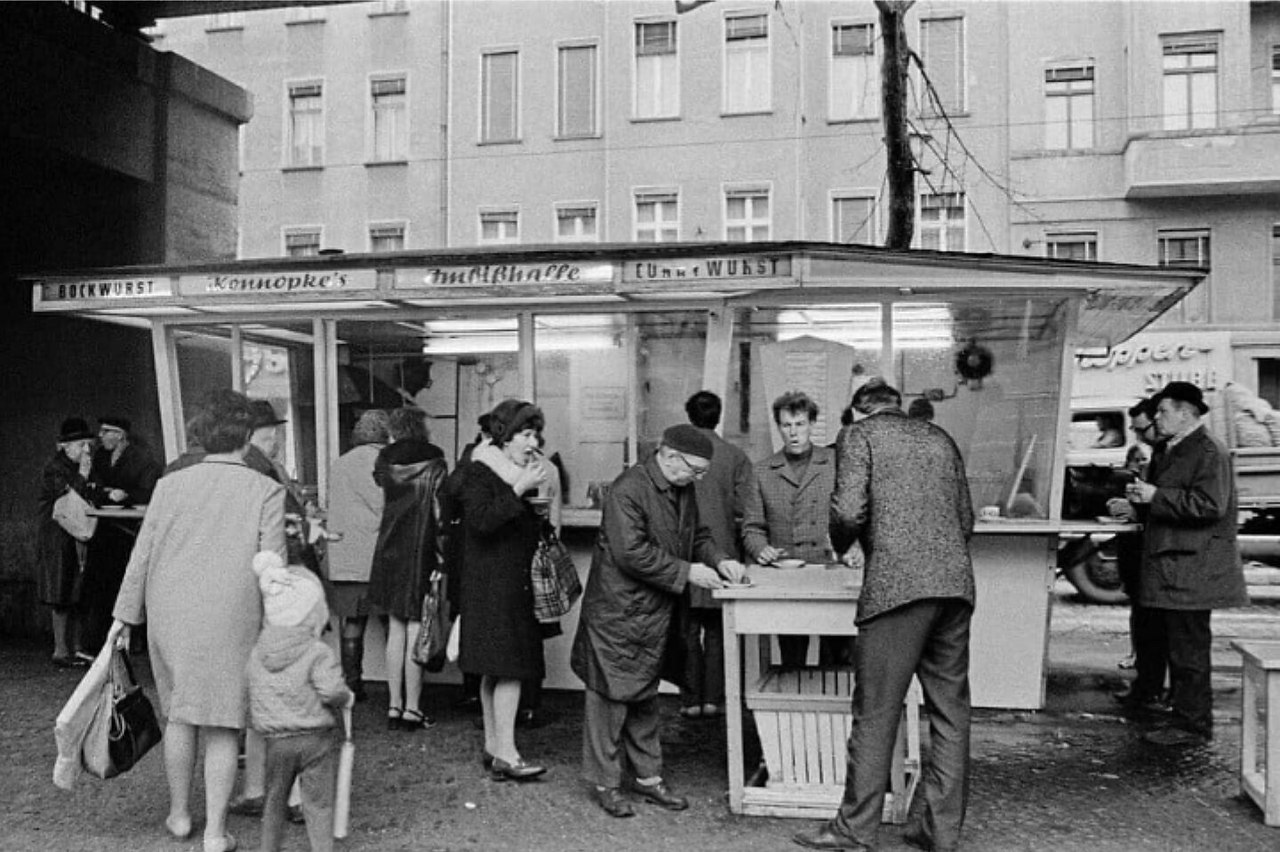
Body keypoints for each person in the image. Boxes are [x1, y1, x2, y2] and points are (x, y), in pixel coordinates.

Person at [794, 379, 974, 852]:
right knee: (950, 713)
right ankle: (940, 830)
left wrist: (845, 544)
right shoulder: (940, 437)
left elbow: (849, 509)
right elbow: (965, 519)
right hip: (954, 589)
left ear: (857, 412)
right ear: (896, 407)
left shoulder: (859, 436)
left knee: (875, 712)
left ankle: (854, 830)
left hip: (896, 591)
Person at [108, 389, 286, 852]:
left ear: (202, 435)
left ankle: (180, 813)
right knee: (225, 723)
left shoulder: (169, 486)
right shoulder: (265, 489)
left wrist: (124, 615)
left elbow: (141, 554)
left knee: (181, 714)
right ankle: (215, 833)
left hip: (172, 612)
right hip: (233, 613)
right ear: (246, 437)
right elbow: (272, 566)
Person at [571, 423, 745, 818]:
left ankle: (648, 777)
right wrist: (687, 573)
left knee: (645, 696)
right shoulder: (628, 489)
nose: (698, 478)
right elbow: (631, 552)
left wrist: (720, 559)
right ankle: (605, 782)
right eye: (695, 470)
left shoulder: (683, 488)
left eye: (702, 472)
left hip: (652, 611)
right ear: (667, 456)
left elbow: (698, 535)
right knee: (608, 698)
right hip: (618, 611)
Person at [1125, 381, 1247, 747]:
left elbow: (1211, 505)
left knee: (1189, 651)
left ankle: (1193, 725)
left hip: (1193, 568)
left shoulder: (1209, 451)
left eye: (1162, 411)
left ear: (1185, 412)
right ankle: (1183, 717)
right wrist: (1143, 500)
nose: (1156, 418)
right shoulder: (1172, 450)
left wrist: (1156, 495)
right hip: (1174, 568)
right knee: (1178, 648)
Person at [455, 399, 550, 781]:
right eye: (526, 434)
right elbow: (481, 522)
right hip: (494, 584)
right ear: (505, 436)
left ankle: (495, 747)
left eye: (535, 434)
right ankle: (508, 755)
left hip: (502, 581)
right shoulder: (480, 472)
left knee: (494, 670)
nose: (534, 441)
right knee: (509, 669)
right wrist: (520, 489)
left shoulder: (505, 469)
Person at [246, 551, 353, 852]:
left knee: (274, 800)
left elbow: (252, 691)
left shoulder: (258, 653)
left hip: (277, 740)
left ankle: (269, 847)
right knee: (318, 803)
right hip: (315, 739)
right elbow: (331, 691)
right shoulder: (317, 652)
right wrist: (347, 696)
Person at [742, 391, 840, 667]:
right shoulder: (762, 471)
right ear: (779, 428)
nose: (793, 433)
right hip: (787, 578)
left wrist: (852, 547)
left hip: (829, 571)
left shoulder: (835, 463)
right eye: (787, 425)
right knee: (791, 659)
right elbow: (752, 527)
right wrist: (760, 549)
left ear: (812, 425)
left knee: (837, 657)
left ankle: (833, 712)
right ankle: (790, 711)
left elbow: (853, 517)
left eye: (800, 424)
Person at [368, 407, 448, 732]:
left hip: (388, 550)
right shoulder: (436, 460)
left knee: (395, 629)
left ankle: (393, 705)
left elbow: (378, 483)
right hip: (422, 549)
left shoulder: (384, 459)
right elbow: (440, 513)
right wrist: (443, 559)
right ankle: (413, 709)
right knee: (417, 627)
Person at [679, 390, 752, 719]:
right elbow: (744, 508)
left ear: (689, 416)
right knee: (720, 632)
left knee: (688, 631)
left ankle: (690, 700)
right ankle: (714, 699)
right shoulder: (735, 456)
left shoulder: (679, 456)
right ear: (719, 416)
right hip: (723, 553)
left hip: (686, 553)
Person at [1107, 398, 1168, 711]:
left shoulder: (1172, 451)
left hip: (1157, 551)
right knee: (1144, 618)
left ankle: (1150, 689)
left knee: (1153, 624)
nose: (1138, 435)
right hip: (1148, 547)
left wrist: (1138, 507)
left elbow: (1170, 502)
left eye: (1141, 428)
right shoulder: (1159, 451)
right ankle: (1148, 685)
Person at [325, 409, 391, 701]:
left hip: (345, 555)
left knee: (353, 621)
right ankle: (397, 686)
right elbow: (383, 504)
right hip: (377, 553)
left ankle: (353, 683)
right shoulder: (383, 461)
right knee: (392, 621)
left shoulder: (339, 463)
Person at [80, 414, 160, 654]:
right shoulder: (100, 458)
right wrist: (106, 494)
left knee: (125, 585)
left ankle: (130, 640)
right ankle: (99, 641)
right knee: (99, 588)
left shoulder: (142, 460)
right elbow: (92, 487)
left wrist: (126, 495)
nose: (101, 436)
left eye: (106, 431)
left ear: (119, 435)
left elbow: (148, 491)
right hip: (103, 531)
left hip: (126, 532)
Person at [35, 417, 96, 668]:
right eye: (81, 445)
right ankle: (62, 649)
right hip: (58, 536)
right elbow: (70, 499)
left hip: (73, 533)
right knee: (61, 590)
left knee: (76, 589)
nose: (86, 451)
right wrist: (83, 475)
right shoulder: (55, 468)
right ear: (65, 446)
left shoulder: (68, 466)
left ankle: (76, 648)